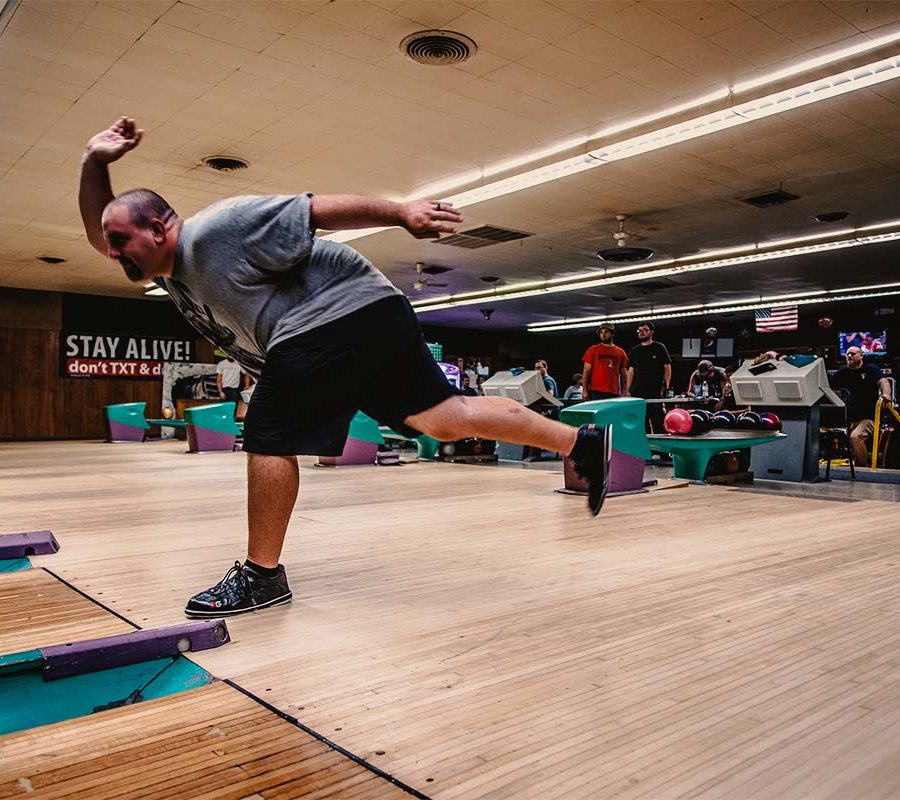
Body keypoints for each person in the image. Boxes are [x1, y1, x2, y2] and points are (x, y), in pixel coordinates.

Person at [78, 117, 611, 618]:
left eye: (120, 240)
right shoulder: (168, 268)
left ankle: (262, 576)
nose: (111, 249)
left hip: (332, 314)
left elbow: (313, 210)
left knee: (269, 436)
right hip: (365, 317)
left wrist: (401, 212)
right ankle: (579, 442)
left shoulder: (218, 229)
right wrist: (94, 161)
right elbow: (100, 227)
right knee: (445, 418)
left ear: (157, 226)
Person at [829, 345, 892, 466]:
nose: (849, 356)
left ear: (861, 356)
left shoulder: (870, 369)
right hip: (848, 419)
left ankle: (861, 471)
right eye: (847, 354)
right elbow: (827, 387)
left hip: (868, 419)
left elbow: (884, 382)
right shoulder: (842, 373)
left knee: (855, 437)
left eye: (853, 354)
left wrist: (886, 394)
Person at [626, 321, 671, 434]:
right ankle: (643, 449)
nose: (641, 333)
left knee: (657, 422)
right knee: (641, 423)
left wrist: (667, 385)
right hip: (638, 392)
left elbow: (667, 367)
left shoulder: (659, 347)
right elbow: (630, 371)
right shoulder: (634, 350)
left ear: (651, 332)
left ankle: (661, 451)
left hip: (655, 392)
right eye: (639, 330)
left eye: (645, 330)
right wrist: (627, 390)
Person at [581, 322, 628, 400]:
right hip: (596, 391)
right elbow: (586, 371)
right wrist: (584, 390)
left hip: (613, 391)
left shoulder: (620, 352)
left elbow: (624, 373)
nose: (603, 334)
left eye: (606, 332)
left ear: (612, 334)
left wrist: (625, 390)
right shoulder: (593, 350)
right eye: (601, 332)